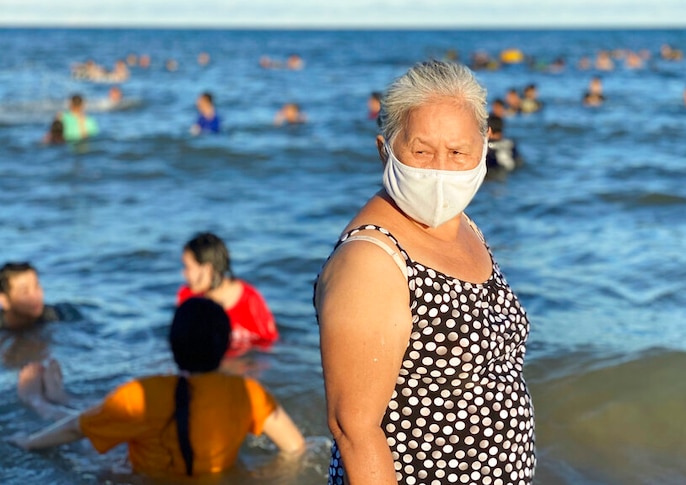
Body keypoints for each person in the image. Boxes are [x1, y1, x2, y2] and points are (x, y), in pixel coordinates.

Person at [315, 60, 535, 485]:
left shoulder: (463, 224)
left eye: (457, 153)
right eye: (420, 151)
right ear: (385, 148)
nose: (439, 170)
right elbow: (355, 431)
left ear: (484, 144)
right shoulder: (371, 260)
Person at [11, 298, 305, 478]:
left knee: (89, 436)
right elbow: (295, 447)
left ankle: (43, 401)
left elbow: (76, 429)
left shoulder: (143, 393)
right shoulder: (248, 392)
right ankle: (59, 397)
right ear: (225, 345)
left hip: (137, 475)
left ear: (173, 344)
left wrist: (27, 443)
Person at [177, 232, 278, 355]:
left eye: (188, 267)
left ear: (207, 269)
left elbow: (269, 344)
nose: (183, 273)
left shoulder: (249, 300)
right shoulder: (187, 298)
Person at [1, 262, 65, 330]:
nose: (35, 296)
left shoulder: (54, 315)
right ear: (4, 301)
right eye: (24, 292)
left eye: (36, 286)